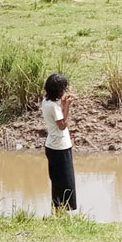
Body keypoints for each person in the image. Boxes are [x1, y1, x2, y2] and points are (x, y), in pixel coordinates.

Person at [41, 72, 77, 211]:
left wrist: (62, 104)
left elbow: (57, 117)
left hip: (51, 145)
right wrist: (67, 106)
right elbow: (62, 125)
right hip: (60, 147)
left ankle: (56, 208)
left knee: (56, 180)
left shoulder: (46, 102)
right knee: (66, 181)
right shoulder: (54, 107)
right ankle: (63, 209)